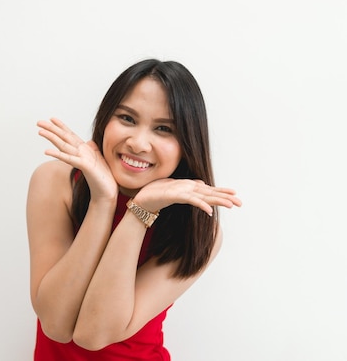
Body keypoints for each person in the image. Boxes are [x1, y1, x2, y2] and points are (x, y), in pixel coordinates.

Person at [26, 58, 242, 360]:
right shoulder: (56, 182)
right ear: (105, 119)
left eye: (164, 128)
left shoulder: (199, 227)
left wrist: (140, 212)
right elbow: (56, 323)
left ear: (187, 144)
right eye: (127, 118)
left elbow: (94, 334)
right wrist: (103, 201)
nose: (139, 143)